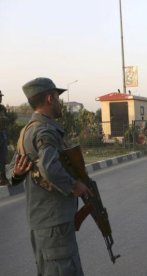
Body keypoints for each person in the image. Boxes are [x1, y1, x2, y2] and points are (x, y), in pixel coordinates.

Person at [9, 77, 91, 275]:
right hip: (54, 223)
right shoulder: (45, 130)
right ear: (49, 99)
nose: (59, 102)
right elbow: (49, 168)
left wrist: (17, 173)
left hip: (42, 223)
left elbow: (11, 169)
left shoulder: (27, 131)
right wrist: (75, 186)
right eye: (57, 97)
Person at [0, 90, 10, 185]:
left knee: (3, 157)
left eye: (1, 96)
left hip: (2, 133)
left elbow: (6, 122)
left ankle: (3, 177)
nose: (0, 98)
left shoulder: (2, 108)